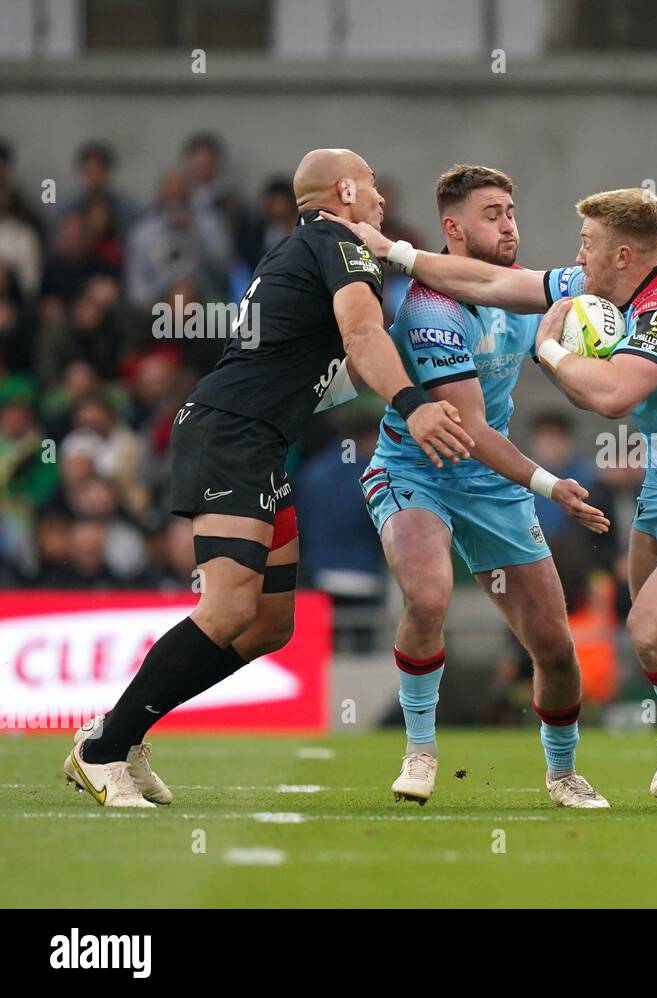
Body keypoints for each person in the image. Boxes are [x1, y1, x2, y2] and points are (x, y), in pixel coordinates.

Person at [326, 186, 657, 810]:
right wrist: (396, 252)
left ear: (620, 254)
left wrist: (553, 351)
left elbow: (608, 397)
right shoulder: (474, 306)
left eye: (587, 244)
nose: (573, 254)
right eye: (495, 214)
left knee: (632, 631)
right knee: (649, 620)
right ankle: (422, 750)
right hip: (449, 470)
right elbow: (483, 306)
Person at [63, 148, 473, 808]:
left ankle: (124, 732)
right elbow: (363, 336)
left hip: (258, 439)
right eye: (370, 186)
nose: (380, 200)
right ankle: (104, 747)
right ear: (342, 191)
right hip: (234, 433)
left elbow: (318, 364)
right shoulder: (341, 243)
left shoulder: (299, 247)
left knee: (267, 626)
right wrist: (414, 404)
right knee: (226, 608)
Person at [359, 165, 612, 809]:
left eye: (511, 211)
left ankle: (562, 773)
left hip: (491, 487)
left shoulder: (519, 294)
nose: (510, 225)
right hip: (419, 469)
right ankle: (420, 750)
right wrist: (553, 485)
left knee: (554, 647)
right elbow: (468, 428)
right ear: (453, 228)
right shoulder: (428, 308)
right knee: (428, 595)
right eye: (494, 213)